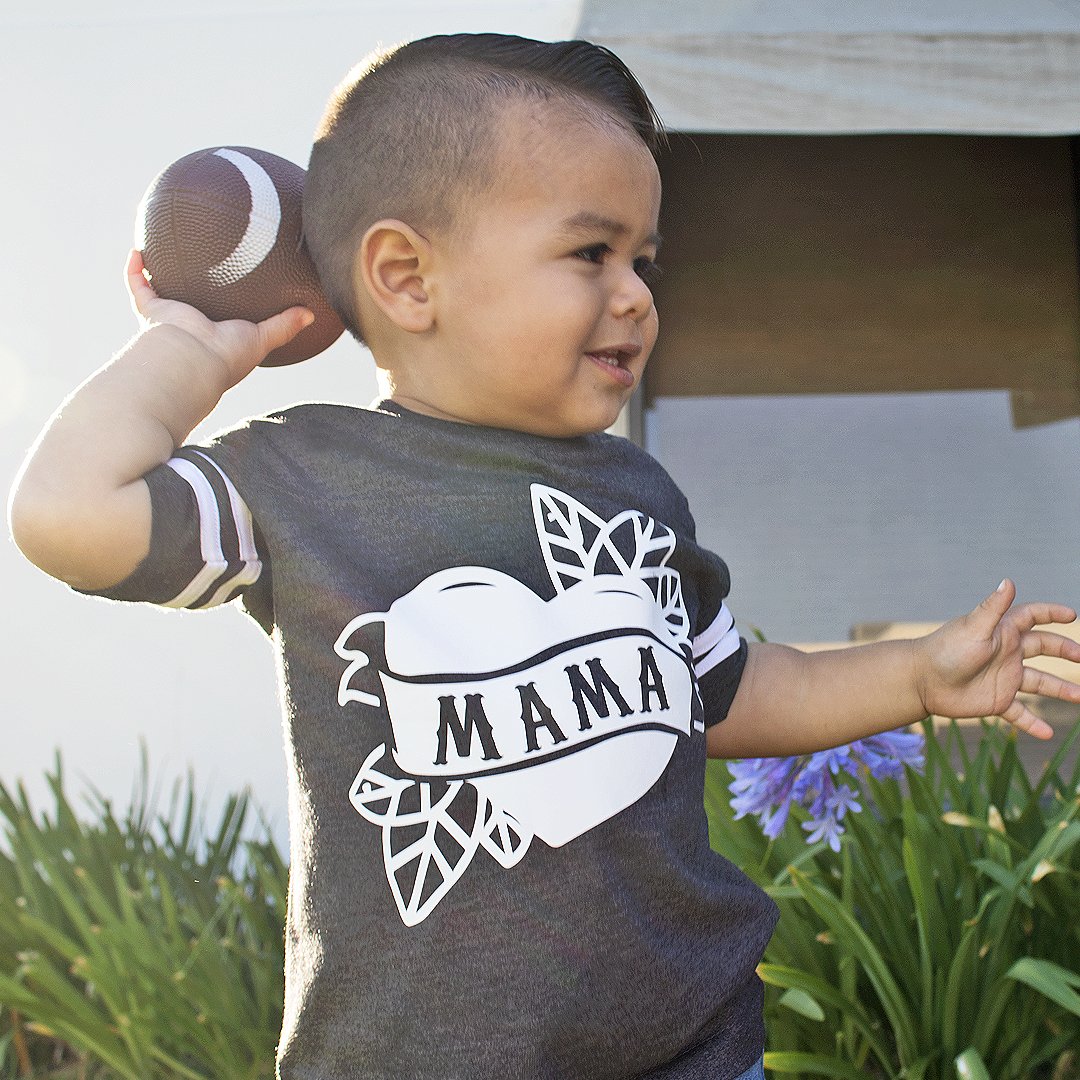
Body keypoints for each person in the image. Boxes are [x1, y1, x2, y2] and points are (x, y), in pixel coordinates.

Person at [9, 32, 1080, 1080]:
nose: (638, 295)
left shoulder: (633, 495)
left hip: (689, 1048)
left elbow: (729, 694)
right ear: (406, 277)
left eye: (644, 260)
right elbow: (67, 513)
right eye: (590, 252)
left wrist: (917, 675)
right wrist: (191, 350)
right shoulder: (305, 486)